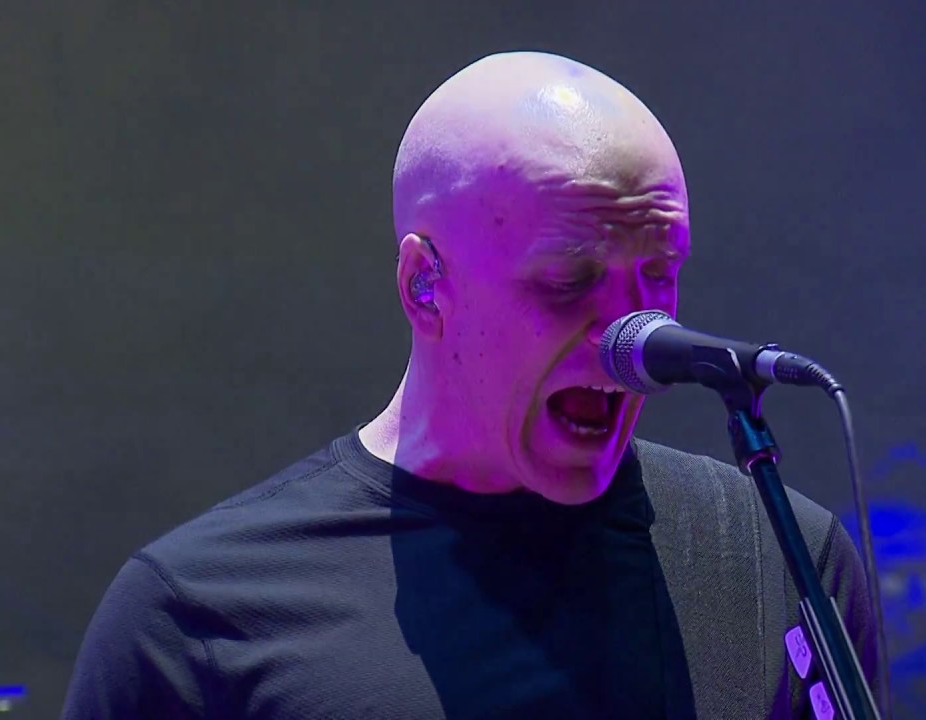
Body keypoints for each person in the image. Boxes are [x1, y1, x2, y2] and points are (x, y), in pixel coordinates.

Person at [62, 51, 883, 719]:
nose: (630, 337)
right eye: (567, 280)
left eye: (659, 275)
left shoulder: (781, 559)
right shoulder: (200, 612)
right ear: (425, 285)